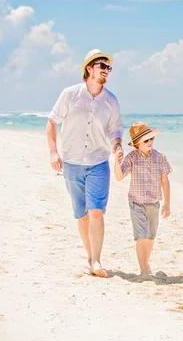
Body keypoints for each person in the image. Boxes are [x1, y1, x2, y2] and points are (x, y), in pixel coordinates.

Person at [46, 49, 123, 278]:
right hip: (71, 162)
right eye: (102, 66)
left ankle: (97, 261)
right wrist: (53, 153)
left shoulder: (111, 100)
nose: (106, 71)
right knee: (82, 214)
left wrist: (117, 145)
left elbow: (115, 129)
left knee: (97, 212)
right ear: (89, 68)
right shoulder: (70, 95)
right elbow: (51, 123)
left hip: (99, 162)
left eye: (109, 68)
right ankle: (90, 257)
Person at [114, 121, 172, 276]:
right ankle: (144, 270)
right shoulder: (132, 157)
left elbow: (165, 181)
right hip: (136, 202)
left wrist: (167, 203)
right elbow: (119, 177)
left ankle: (146, 264)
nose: (150, 142)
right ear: (136, 143)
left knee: (151, 237)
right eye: (145, 140)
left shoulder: (160, 157)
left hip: (154, 203)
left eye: (151, 139)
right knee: (142, 236)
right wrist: (116, 162)